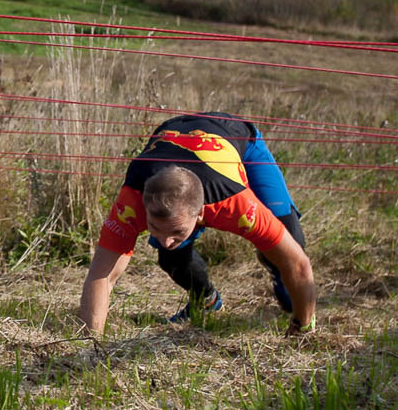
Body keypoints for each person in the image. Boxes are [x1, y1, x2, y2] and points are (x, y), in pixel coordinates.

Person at [76, 111, 315, 338]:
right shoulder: (132, 201)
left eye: (176, 230)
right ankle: (206, 301)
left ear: (201, 213)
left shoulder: (234, 203)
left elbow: (299, 264)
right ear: (144, 208)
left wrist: (302, 329)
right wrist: (90, 345)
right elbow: (102, 275)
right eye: (154, 228)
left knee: (289, 242)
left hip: (237, 139)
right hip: (175, 131)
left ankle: (285, 290)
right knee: (171, 258)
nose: (165, 240)